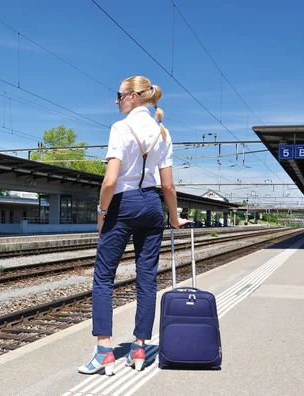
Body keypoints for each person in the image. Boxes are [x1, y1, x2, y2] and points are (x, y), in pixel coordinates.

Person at [78, 76, 191, 375]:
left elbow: (110, 180)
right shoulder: (163, 133)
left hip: (123, 204)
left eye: (118, 95)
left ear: (133, 97)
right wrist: (175, 218)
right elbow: (168, 186)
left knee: (103, 277)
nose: (116, 101)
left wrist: (102, 212)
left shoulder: (120, 128)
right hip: (152, 206)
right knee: (147, 279)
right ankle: (139, 348)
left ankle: (104, 352)